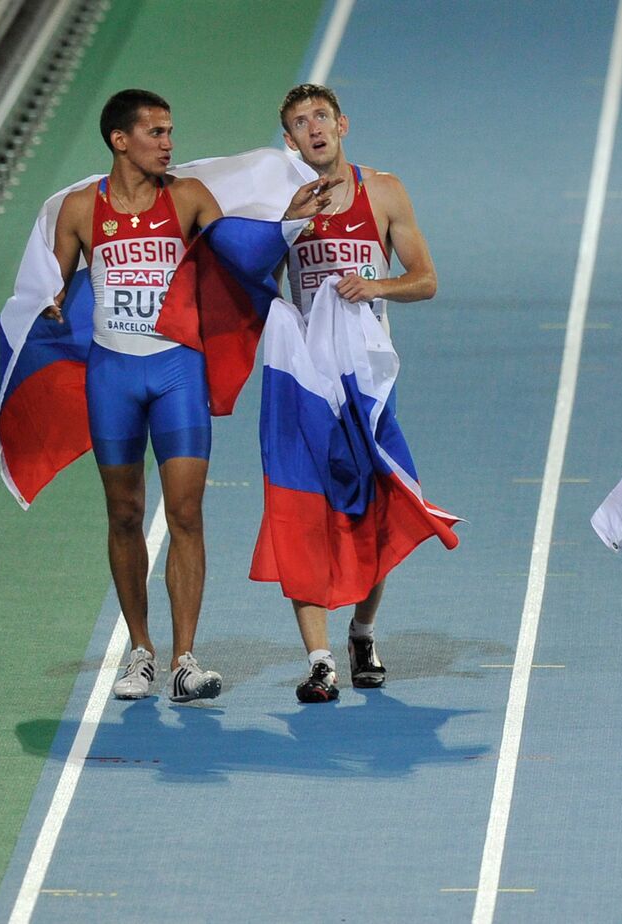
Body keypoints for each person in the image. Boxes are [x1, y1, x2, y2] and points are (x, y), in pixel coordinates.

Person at [47, 89, 229, 702]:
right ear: (120, 140)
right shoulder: (79, 208)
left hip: (178, 371)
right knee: (124, 514)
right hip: (113, 377)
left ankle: (185, 658)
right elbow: (54, 282)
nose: (169, 143)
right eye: (156, 132)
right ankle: (142, 651)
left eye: (170, 131)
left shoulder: (189, 197)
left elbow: (240, 257)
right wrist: (48, 301)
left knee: (185, 513)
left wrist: (287, 224)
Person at [272, 83, 439, 703]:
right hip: (307, 383)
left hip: (367, 382)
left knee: (378, 506)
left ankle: (362, 632)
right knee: (303, 511)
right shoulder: (282, 203)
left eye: (321, 117)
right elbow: (254, 280)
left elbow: (425, 281)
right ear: (290, 140)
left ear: (342, 124)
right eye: (299, 123)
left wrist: (376, 288)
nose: (313, 128)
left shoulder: (385, 192)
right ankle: (318, 659)